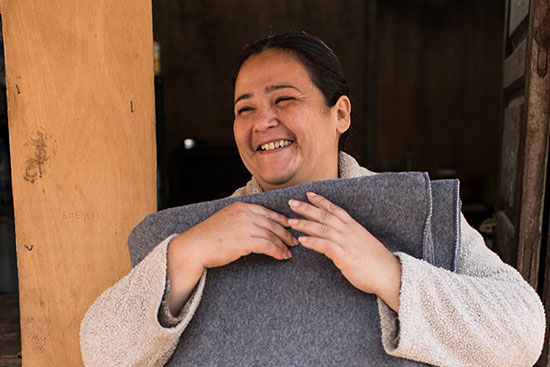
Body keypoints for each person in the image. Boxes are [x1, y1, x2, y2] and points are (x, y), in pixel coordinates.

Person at [80, 31, 545, 366]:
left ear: (339, 113)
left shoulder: (409, 211)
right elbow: (98, 352)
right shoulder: (203, 232)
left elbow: (523, 334)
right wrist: (185, 256)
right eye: (245, 109)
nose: (262, 121)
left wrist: (390, 273)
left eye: (284, 100)